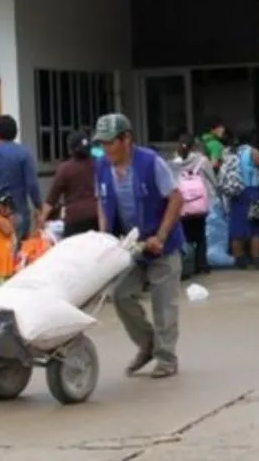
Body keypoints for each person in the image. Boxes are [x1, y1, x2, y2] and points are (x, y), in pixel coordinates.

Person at [93, 113, 184, 379]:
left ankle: (167, 358)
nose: (106, 148)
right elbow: (101, 201)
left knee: (163, 303)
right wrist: (104, 235)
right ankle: (148, 344)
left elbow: (176, 198)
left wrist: (161, 236)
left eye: (110, 142)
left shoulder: (151, 162)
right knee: (120, 294)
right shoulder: (102, 166)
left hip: (161, 244)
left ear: (126, 139)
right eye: (102, 143)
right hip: (131, 245)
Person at [0, 115, 42, 244]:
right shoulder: (24, 154)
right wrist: (38, 207)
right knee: (19, 251)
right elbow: (32, 185)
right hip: (18, 210)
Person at [38, 131, 100, 238]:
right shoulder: (98, 165)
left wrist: (42, 219)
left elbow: (51, 199)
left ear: (70, 150)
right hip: (96, 217)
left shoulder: (65, 169)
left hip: (74, 220)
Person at [170, 133, 216, 276]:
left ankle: (186, 266)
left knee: (185, 236)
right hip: (199, 204)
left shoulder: (173, 163)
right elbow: (212, 179)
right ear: (194, 146)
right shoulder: (202, 161)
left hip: (182, 204)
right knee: (201, 235)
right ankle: (202, 264)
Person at [230, 130, 259, 269]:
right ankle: (257, 259)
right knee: (257, 225)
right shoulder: (253, 152)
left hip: (236, 192)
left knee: (237, 225)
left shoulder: (232, 153)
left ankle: (239, 259)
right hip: (253, 191)